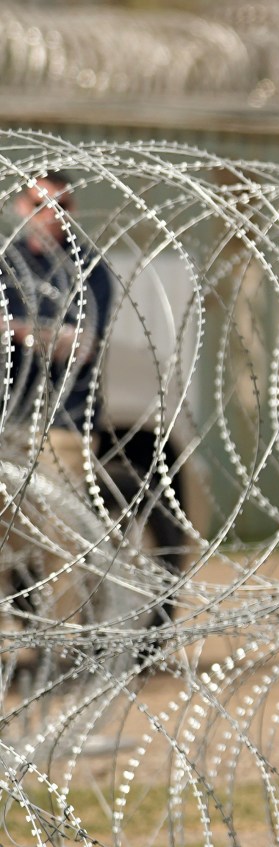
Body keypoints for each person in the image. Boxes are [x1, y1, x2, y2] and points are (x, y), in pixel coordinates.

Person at [0, 173, 118, 638]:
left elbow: (78, 345)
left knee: (61, 536)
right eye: (39, 204)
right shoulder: (5, 265)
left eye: (61, 207)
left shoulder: (87, 268)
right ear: (20, 208)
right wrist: (39, 333)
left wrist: (15, 330)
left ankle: (66, 647)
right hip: (8, 418)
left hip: (64, 420)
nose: (50, 216)